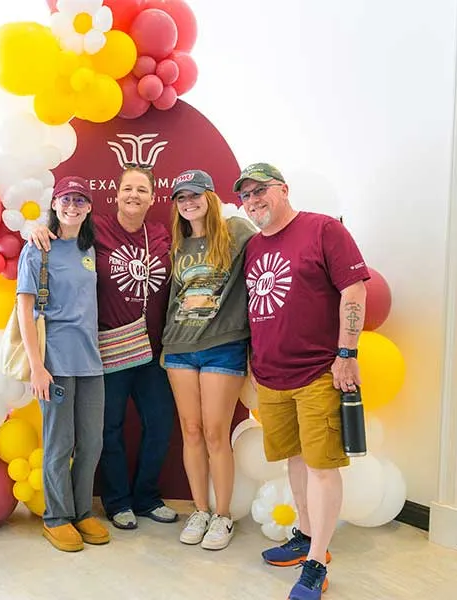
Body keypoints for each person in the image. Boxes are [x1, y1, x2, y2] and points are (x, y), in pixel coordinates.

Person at [235, 163, 368, 600]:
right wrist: (255, 363)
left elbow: (354, 290)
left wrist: (346, 354)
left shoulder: (323, 230)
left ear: (284, 190)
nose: (254, 200)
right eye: (246, 195)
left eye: (261, 191)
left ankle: (317, 561)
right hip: (272, 377)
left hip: (318, 373)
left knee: (322, 467)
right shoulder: (254, 247)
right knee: (294, 459)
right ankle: (305, 535)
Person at [31, 166, 177, 530]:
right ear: (115, 195)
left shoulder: (161, 234)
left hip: (152, 349)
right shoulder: (96, 233)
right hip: (106, 349)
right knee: (107, 430)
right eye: (128, 188)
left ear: (152, 197)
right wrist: (33, 229)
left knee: (159, 424)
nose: (134, 195)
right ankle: (117, 502)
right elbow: (60, 236)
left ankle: (146, 496)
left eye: (142, 190)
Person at [160, 169, 256, 550]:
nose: (188, 203)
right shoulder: (179, 245)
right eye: (181, 198)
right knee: (191, 430)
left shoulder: (235, 231)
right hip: (180, 347)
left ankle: (222, 515)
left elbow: (273, 244)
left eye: (195, 195)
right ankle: (199, 510)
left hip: (223, 346)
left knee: (217, 432)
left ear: (210, 196)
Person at [16, 176, 108, 552]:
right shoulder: (38, 249)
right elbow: (24, 309)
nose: (73, 206)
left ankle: (83, 511)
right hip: (55, 361)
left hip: (91, 362)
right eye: (66, 200)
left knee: (91, 443)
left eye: (80, 201)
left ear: (88, 208)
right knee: (59, 443)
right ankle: (57, 517)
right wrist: (37, 367)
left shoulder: (90, 248)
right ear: (55, 205)